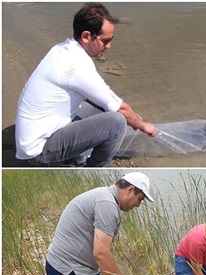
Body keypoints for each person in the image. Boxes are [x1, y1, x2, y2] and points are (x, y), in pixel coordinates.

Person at [14, 3, 157, 167]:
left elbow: (102, 99)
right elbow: (121, 108)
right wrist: (143, 125)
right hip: (37, 152)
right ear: (87, 36)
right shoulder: (76, 65)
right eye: (106, 41)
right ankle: (94, 168)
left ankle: (76, 153)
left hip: (33, 137)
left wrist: (127, 116)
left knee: (102, 109)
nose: (109, 46)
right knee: (116, 122)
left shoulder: (63, 49)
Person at [45, 172, 154, 275]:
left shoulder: (103, 195)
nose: (138, 205)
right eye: (140, 199)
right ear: (130, 190)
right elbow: (101, 253)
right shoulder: (107, 204)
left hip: (67, 267)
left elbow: (100, 250)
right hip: (69, 272)